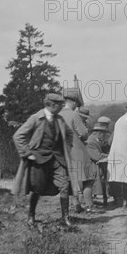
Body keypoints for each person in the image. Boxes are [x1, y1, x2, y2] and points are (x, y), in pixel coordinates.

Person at [11, 93, 76, 227]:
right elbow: (18, 136)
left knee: (64, 184)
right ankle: (31, 216)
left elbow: (69, 133)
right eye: (60, 105)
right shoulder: (35, 118)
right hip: (39, 160)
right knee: (37, 188)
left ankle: (65, 217)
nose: (62, 107)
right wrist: (27, 153)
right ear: (52, 105)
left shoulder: (60, 120)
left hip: (57, 159)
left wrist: (66, 148)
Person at [60, 94, 98, 213]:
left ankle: (76, 205)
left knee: (71, 180)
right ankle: (89, 206)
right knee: (88, 179)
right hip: (77, 151)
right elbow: (83, 134)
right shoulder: (73, 115)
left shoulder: (57, 115)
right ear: (75, 103)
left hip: (62, 153)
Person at [86, 123, 111, 207]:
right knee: (90, 186)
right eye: (103, 134)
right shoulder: (91, 142)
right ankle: (89, 205)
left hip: (94, 166)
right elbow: (97, 156)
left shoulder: (94, 140)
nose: (104, 136)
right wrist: (110, 156)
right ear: (99, 133)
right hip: (91, 168)